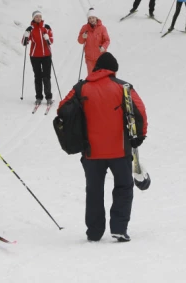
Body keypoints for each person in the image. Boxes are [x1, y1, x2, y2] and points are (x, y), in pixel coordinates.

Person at [58, 52, 148, 242]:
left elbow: (63, 107)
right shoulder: (123, 87)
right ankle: (119, 228)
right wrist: (139, 136)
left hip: (91, 152)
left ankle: (94, 232)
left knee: (94, 190)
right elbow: (140, 111)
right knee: (123, 187)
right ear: (113, 70)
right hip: (120, 149)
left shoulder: (81, 88)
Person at [22, 10, 54, 106]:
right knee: (38, 76)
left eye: (40, 16)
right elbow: (24, 42)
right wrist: (26, 35)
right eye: (36, 17)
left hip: (46, 55)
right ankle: (39, 97)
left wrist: (47, 38)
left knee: (46, 76)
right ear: (33, 18)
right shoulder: (30, 29)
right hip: (35, 56)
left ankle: (48, 97)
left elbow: (51, 40)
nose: (38, 18)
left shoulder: (46, 27)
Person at [77, 8, 111, 74]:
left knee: (101, 77)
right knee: (91, 77)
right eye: (90, 18)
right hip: (89, 59)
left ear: (96, 18)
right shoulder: (84, 28)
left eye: (93, 18)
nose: (91, 20)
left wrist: (104, 47)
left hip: (101, 58)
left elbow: (107, 40)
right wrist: (82, 37)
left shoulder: (102, 28)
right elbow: (80, 41)